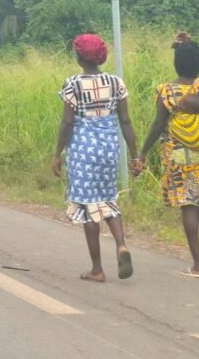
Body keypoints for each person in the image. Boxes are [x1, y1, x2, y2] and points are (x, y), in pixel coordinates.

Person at [53, 33, 139, 282]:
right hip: (109, 149)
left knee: (89, 207)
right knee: (108, 199)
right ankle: (121, 244)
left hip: (82, 151)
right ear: (101, 56)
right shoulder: (115, 82)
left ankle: (97, 269)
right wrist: (135, 157)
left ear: (79, 57)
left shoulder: (73, 84)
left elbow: (67, 122)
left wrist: (57, 153)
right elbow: (125, 121)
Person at [136, 33, 199, 277]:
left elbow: (157, 125)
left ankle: (197, 264)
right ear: (198, 63)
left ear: (175, 63)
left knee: (188, 205)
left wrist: (142, 152)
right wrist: (193, 47)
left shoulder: (166, 91)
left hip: (182, 158)